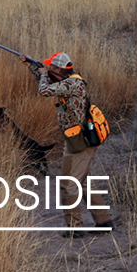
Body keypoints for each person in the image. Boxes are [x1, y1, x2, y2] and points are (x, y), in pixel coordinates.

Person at [24, 51, 113, 237]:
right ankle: (104, 221)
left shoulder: (72, 83)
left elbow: (44, 90)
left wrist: (41, 74)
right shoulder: (70, 81)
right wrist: (33, 67)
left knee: (68, 183)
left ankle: (75, 228)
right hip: (80, 138)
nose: (48, 68)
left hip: (78, 141)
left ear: (59, 68)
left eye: (51, 67)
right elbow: (49, 83)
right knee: (83, 182)